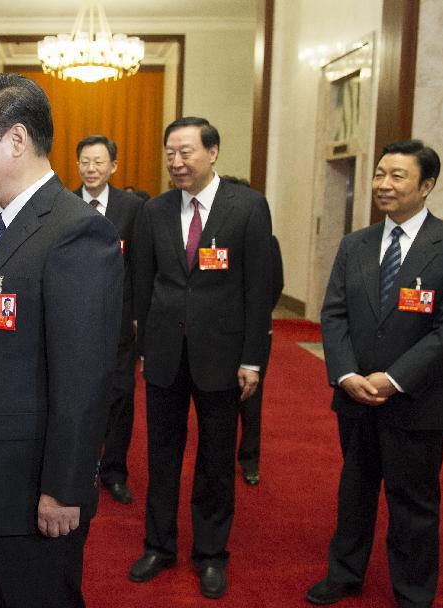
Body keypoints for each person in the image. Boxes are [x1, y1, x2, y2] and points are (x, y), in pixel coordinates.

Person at [0, 73, 123, 608]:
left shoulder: (75, 231)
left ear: (15, 140)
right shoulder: (3, 223)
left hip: (26, 488)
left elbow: (84, 379)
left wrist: (64, 487)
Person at [129, 117, 273, 599]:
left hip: (223, 355)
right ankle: (159, 545)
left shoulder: (247, 208)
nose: (177, 161)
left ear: (213, 152)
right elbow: (141, 286)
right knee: (162, 457)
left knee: (215, 460)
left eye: (186, 152)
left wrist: (253, 360)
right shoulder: (154, 210)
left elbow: (259, 290)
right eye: (170, 152)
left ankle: (211, 553)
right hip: (166, 355)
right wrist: (144, 349)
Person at [307, 140, 443, 608]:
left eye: (398, 176)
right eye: (379, 173)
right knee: (355, 489)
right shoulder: (355, 245)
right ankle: (345, 572)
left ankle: (413, 591)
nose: (383, 184)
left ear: (427, 185)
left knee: (415, 504)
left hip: (417, 401)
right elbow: (335, 315)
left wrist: (395, 377)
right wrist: (346, 374)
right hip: (356, 396)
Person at [72, 134, 144, 505]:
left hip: (119, 321)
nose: (91, 168)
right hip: (74, 321)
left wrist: (135, 316)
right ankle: (79, 468)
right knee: (77, 397)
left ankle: (114, 470)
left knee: (120, 396)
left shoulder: (132, 207)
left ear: (113, 166)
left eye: (99, 162)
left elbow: (139, 266)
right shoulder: (64, 204)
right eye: (85, 161)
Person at [219, 175, 285, 486]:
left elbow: (274, 285)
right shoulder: (216, 236)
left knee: (251, 400)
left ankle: (249, 458)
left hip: (256, 333)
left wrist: (253, 318)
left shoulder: (267, 241)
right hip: (220, 332)